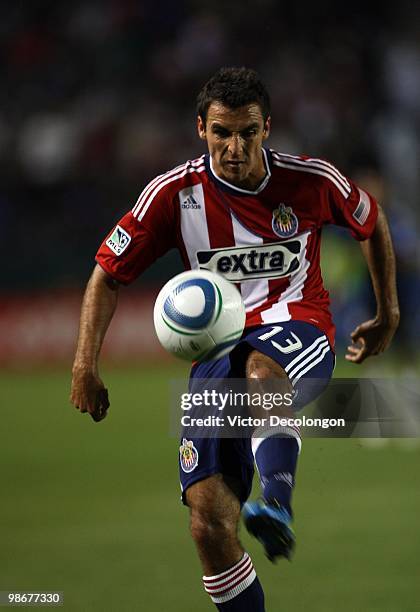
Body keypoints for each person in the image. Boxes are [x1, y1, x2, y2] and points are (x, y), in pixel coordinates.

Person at [70, 67, 399, 611]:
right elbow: (107, 274)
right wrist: (85, 364)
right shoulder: (172, 195)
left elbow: (372, 221)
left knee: (262, 374)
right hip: (215, 353)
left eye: (247, 132)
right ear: (201, 129)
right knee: (208, 524)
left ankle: (277, 505)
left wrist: (387, 311)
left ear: (267, 128)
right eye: (222, 133)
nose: (234, 147)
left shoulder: (312, 180)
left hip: (297, 326)